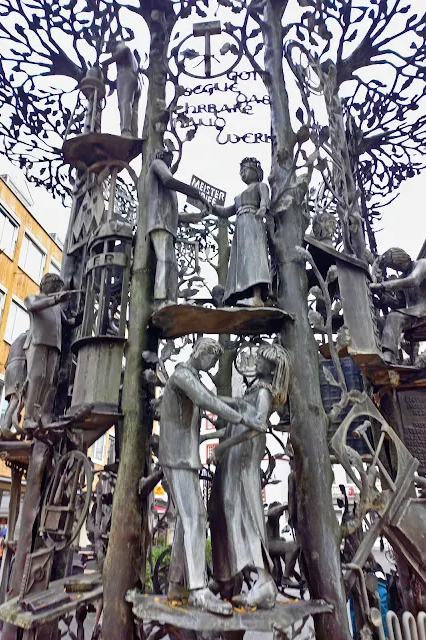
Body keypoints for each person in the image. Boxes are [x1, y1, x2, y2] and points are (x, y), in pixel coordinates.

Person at [158, 338, 265, 615]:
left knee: (186, 519)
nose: (212, 367)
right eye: (212, 362)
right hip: (178, 457)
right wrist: (244, 419)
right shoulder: (182, 374)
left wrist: (239, 404)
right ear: (201, 353)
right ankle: (198, 591)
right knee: (196, 518)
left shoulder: (190, 376)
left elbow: (212, 397)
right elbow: (206, 399)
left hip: (183, 457)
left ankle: (177, 583)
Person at [209, 343, 290, 608]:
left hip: (244, 460)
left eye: (263, 361)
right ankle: (238, 575)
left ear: (271, 368)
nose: (258, 362)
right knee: (232, 513)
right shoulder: (254, 390)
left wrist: (223, 446)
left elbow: (255, 427)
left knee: (247, 514)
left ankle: (265, 581)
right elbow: (235, 415)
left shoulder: (265, 393)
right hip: (236, 458)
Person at [146, 148, 209, 306]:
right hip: (159, 223)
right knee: (165, 261)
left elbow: (176, 216)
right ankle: (161, 300)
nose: (170, 162)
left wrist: (198, 216)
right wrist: (198, 195)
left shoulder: (166, 190)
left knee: (171, 266)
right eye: (169, 158)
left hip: (166, 225)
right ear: (162, 155)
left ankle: (170, 299)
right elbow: (168, 180)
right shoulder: (157, 164)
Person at [212, 157, 271, 307]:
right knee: (242, 263)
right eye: (241, 171)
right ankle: (245, 294)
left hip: (253, 224)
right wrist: (209, 206)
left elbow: (265, 201)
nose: (242, 173)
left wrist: (263, 209)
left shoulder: (260, 186)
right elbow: (225, 212)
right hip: (241, 229)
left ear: (255, 171)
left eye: (245, 170)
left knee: (254, 260)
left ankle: (257, 295)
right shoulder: (238, 197)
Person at [370, 247, 426, 364]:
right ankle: (384, 353)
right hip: (417, 312)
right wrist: (381, 295)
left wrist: (382, 285)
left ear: (401, 259)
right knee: (382, 321)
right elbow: (399, 304)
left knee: (394, 317)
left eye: (396, 266)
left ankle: (389, 356)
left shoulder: (423, 264)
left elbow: (413, 280)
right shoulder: (402, 278)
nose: (397, 269)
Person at [23, 273, 71, 428]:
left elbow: (67, 323)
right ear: (46, 284)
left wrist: (80, 317)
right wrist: (56, 299)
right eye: (56, 285)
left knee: (47, 382)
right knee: (36, 377)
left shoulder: (56, 307)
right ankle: (28, 417)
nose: (57, 289)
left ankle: (36, 417)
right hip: (38, 341)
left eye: (59, 287)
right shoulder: (33, 298)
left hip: (54, 345)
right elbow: (32, 307)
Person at [101, 41, 140, 137]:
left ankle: (126, 131)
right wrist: (111, 82)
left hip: (126, 75)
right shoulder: (132, 60)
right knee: (133, 108)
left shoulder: (122, 48)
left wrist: (106, 63)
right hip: (136, 80)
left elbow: (125, 51)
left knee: (124, 103)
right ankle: (133, 134)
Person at [0, 331, 28, 440]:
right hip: (20, 368)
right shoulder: (30, 336)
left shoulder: (17, 339)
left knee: (13, 402)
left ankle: (4, 430)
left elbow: (6, 364)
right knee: (18, 401)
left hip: (10, 372)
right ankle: (4, 430)